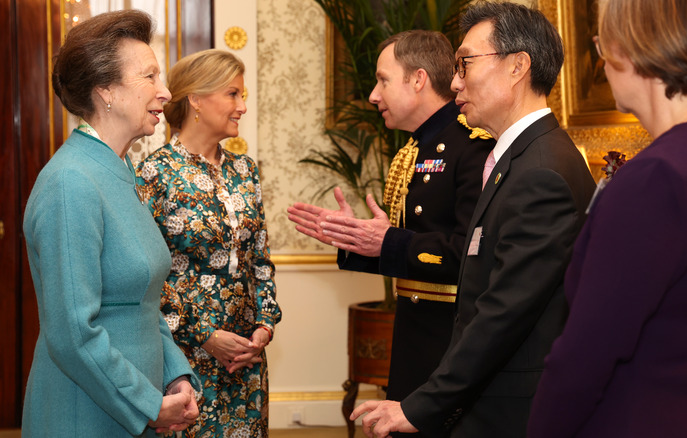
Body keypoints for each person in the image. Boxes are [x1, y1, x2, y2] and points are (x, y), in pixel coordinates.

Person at [527, 0, 687, 436]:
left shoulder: (657, 178)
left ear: (636, 48)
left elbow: (584, 358)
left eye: (602, 43)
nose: (602, 59)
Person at [350, 3, 596, 437]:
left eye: (465, 64)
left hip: (509, 411)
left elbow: (504, 313)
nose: (455, 80)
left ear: (518, 66)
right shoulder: (519, 158)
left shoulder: (541, 170)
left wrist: (421, 406)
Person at [287, 29, 493, 431]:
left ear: (417, 79)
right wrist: (360, 238)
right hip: (414, 334)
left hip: (452, 340)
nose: (373, 96)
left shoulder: (474, 144)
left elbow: (470, 255)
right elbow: (411, 247)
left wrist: (387, 240)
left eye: (383, 80)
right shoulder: (414, 150)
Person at [22, 10, 199, 437]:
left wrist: (175, 376)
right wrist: (149, 404)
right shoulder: (71, 181)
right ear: (106, 91)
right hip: (86, 412)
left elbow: (141, 300)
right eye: (150, 77)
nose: (166, 91)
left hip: (131, 407)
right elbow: (73, 334)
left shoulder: (117, 170)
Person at [136, 49, 281, 437]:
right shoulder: (156, 172)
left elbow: (260, 261)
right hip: (184, 358)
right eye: (233, 94)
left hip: (246, 358)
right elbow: (144, 274)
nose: (242, 107)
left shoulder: (244, 170)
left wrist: (264, 328)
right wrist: (204, 335)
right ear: (196, 99)